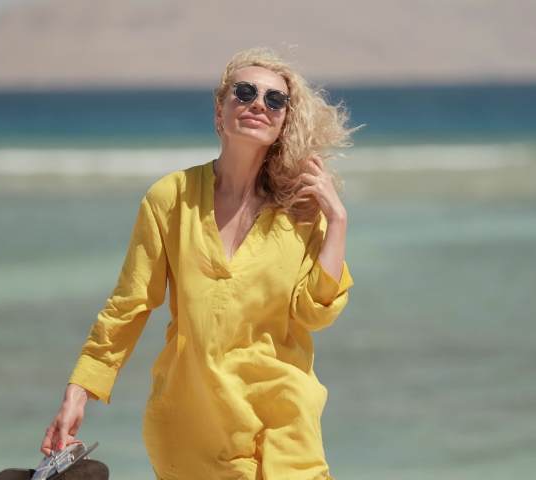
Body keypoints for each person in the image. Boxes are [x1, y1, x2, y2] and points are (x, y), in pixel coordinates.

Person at [40, 47, 357, 480]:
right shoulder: (169, 199)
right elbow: (129, 305)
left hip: (286, 428)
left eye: (275, 99)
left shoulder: (301, 211)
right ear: (219, 109)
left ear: (284, 120)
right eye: (244, 91)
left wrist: (337, 221)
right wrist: (79, 391)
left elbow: (313, 314)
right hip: (193, 432)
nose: (259, 104)